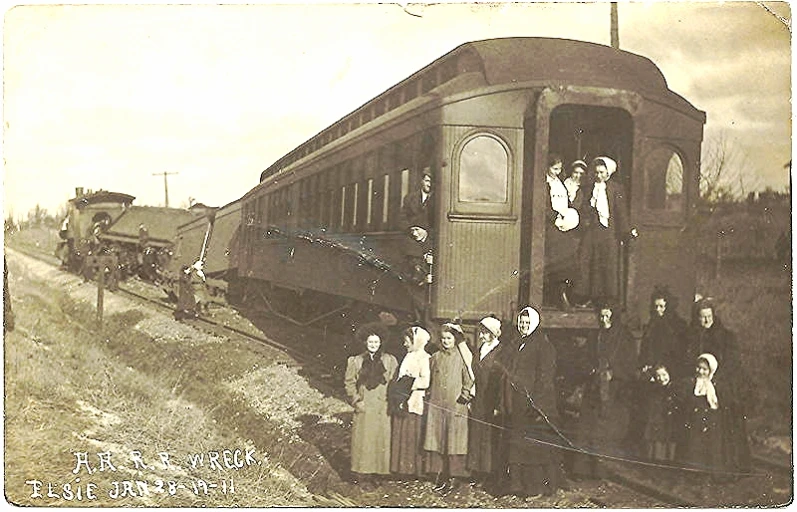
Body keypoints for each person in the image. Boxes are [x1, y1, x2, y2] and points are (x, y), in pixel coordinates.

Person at [503, 307, 563, 499]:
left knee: (534, 448)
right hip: (520, 402)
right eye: (521, 321)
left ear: (535, 324)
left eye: (528, 323)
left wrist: (536, 404)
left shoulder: (543, 345)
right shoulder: (517, 343)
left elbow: (545, 378)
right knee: (520, 445)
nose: (524, 325)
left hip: (536, 404)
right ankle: (518, 486)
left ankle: (536, 488)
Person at [572, 305, 637, 479]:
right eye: (601, 316)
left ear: (614, 316)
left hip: (615, 391)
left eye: (607, 316)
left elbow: (631, 365)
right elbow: (583, 358)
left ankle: (604, 471)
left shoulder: (625, 337)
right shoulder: (595, 336)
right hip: (594, 388)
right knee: (586, 427)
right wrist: (592, 371)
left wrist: (614, 373)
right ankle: (583, 470)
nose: (604, 319)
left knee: (607, 432)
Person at [687, 299, 751, 472]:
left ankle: (727, 465)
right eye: (702, 317)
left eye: (709, 316)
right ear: (697, 318)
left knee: (724, 426)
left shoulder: (725, 336)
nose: (706, 321)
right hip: (699, 383)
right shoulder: (692, 335)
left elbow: (732, 364)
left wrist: (716, 379)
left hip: (722, 385)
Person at [574, 157, 638, 307]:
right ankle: (585, 296)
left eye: (602, 172)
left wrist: (626, 231)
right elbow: (582, 207)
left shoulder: (616, 189)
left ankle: (605, 299)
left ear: (608, 173)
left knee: (607, 264)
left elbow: (621, 212)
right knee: (587, 261)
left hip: (609, 232)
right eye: (596, 172)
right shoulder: (588, 188)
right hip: (591, 230)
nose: (598, 175)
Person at [344, 323, 399, 489]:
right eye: (370, 342)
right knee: (364, 441)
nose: (373, 345)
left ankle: (380, 473)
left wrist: (393, 401)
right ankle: (364, 476)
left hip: (383, 406)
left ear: (381, 343)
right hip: (365, 406)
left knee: (381, 440)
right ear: (365, 343)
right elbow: (349, 383)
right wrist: (356, 400)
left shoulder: (390, 360)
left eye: (376, 342)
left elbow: (395, 382)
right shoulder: (356, 361)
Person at [423, 322, 474, 493]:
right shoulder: (436, 357)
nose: (446, 341)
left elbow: (469, 379)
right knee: (438, 439)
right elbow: (429, 377)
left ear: (455, 339)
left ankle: (456, 476)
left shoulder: (461, 357)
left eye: (449, 338)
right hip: (437, 404)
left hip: (456, 404)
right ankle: (440, 475)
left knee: (455, 440)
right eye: (443, 338)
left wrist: (465, 395)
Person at [467, 315, 509, 491]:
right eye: (481, 332)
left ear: (493, 334)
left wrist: (500, 405)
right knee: (477, 434)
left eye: (485, 333)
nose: (482, 336)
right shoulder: (480, 349)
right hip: (479, 398)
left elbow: (503, 381)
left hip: (491, 400)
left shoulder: (501, 351)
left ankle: (489, 473)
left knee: (489, 437)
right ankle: (476, 471)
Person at [676, 354, 726, 481]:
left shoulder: (714, 385)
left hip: (710, 418)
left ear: (710, 371)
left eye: (704, 369)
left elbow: (716, 404)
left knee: (709, 444)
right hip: (694, 418)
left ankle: (708, 472)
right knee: (693, 443)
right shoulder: (690, 382)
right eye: (698, 368)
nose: (700, 371)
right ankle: (692, 472)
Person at [390, 326, 431, 478]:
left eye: (407, 341)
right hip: (404, 396)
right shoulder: (409, 355)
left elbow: (425, 380)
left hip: (415, 399)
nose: (405, 344)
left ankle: (414, 470)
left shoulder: (424, 358)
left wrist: (407, 385)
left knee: (412, 434)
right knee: (402, 432)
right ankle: (402, 469)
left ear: (416, 341)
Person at [544, 154, 580, 308]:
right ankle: (557, 294)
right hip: (552, 225)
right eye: (554, 168)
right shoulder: (544, 183)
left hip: (564, 224)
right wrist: (555, 218)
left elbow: (566, 201)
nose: (557, 172)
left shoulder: (560, 182)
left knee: (569, 256)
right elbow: (544, 205)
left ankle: (564, 290)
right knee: (555, 257)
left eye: (559, 169)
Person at [400, 169, 434, 285]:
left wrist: (426, 233)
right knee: (409, 248)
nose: (429, 184)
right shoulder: (410, 198)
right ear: (422, 181)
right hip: (412, 237)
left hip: (430, 237)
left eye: (432, 182)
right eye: (427, 181)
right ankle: (416, 276)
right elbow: (402, 218)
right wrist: (412, 229)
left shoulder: (439, 199)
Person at [643, 364, 678, 462]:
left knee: (670, 445)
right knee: (657, 446)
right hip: (659, 422)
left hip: (671, 422)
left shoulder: (675, 388)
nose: (661, 378)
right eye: (658, 376)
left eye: (664, 374)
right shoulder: (654, 391)